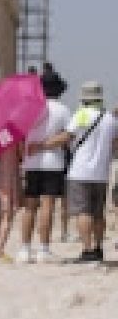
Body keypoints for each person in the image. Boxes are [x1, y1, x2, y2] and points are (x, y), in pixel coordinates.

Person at [27, 81, 118, 264]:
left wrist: (41, 146)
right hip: (101, 173)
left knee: (83, 211)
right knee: (98, 213)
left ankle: (87, 250)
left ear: (84, 98)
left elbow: (66, 137)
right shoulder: (110, 119)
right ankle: (99, 248)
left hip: (81, 171)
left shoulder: (82, 115)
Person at [17, 74, 71, 263]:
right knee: (48, 206)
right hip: (53, 162)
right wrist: (44, 145)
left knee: (30, 207)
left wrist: (24, 151)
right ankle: (43, 249)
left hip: (31, 162)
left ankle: (24, 248)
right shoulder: (63, 109)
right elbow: (68, 135)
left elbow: (18, 133)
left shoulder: (30, 108)